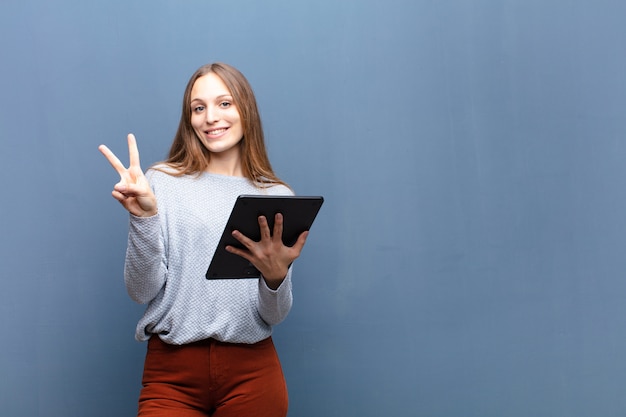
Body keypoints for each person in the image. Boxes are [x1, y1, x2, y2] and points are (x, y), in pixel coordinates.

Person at [98, 62, 308, 417]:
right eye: (199, 107)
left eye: (224, 104)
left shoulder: (277, 196)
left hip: (253, 373)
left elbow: (275, 314)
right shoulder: (160, 182)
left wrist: (276, 277)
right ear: (190, 118)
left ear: (246, 109)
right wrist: (144, 218)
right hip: (171, 374)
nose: (211, 117)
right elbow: (140, 291)